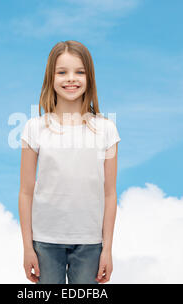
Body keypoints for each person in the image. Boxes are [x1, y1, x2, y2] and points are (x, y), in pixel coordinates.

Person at [19, 40, 121, 284]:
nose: (71, 79)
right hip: (44, 242)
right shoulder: (35, 128)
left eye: (79, 72)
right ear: (51, 78)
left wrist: (107, 249)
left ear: (89, 77)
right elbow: (25, 192)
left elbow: (109, 194)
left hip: (90, 243)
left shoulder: (106, 129)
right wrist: (27, 247)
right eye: (62, 72)